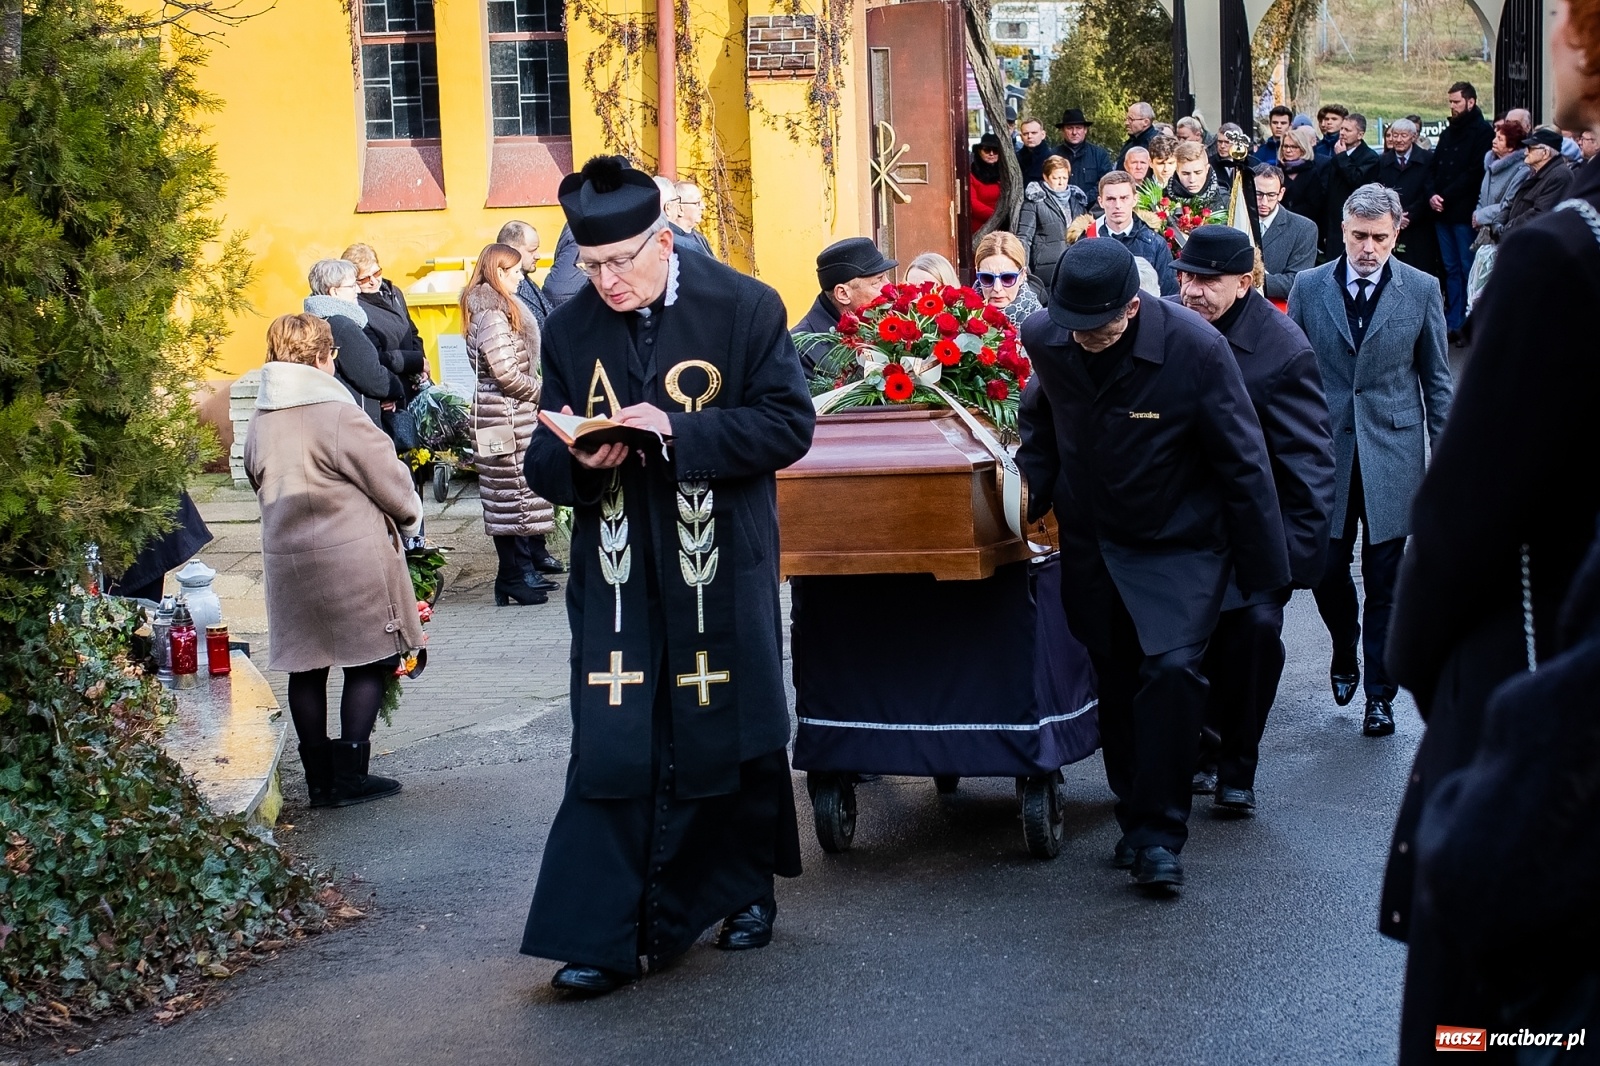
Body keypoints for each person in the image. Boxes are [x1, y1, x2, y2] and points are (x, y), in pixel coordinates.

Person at [519, 155, 814, 995]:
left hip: (718, 560)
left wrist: (684, 435)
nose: (605, 281)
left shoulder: (744, 305)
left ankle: (742, 891)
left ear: (664, 241)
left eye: (621, 262)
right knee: (615, 740)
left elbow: (788, 427)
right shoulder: (571, 328)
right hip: (618, 576)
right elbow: (543, 454)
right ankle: (604, 933)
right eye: (590, 263)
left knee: (731, 721)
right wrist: (579, 458)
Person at [1380, 3, 1600, 1051]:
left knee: (1487, 1034)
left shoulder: (1563, 257)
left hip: (1553, 679)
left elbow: (1463, 515)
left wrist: (1422, 667)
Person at [1016, 239, 1288, 890]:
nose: (1082, 340)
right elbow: (1041, 420)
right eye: (1072, 328)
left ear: (1133, 309)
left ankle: (1161, 836)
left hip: (1181, 544)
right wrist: (1035, 490)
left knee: (1169, 673)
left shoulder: (1195, 350)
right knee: (1115, 678)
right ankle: (1133, 812)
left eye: (1098, 329)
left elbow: (1244, 463)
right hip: (1094, 541)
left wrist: (1265, 577)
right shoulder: (1047, 337)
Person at [1172, 228, 1334, 810]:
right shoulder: (1171, 324)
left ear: (1246, 282)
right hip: (1184, 528)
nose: (1191, 290)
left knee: (1253, 640)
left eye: (1207, 281)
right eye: (1185, 276)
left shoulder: (1282, 349)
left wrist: (1292, 559)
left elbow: (1309, 462)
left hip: (1255, 535)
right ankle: (1200, 753)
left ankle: (1238, 764)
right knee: (1184, 649)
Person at [1288, 184, 1452, 738]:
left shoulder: (1423, 289)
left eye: (1380, 238)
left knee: (1386, 581)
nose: (1368, 248)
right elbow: (1291, 376)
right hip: (1325, 452)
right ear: (1342, 229)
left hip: (1393, 451)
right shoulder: (1310, 288)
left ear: (1398, 231)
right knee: (1325, 570)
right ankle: (1343, 644)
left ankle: (1379, 695)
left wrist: (1448, 462)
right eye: (1359, 236)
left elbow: (1436, 379)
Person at [245, 313, 424, 808]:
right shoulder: (339, 413)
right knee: (367, 660)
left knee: (306, 667)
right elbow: (390, 481)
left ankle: (318, 781)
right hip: (350, 556)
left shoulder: (262, 420)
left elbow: (256, 478)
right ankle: (351, 777)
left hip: (288, 560)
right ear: (325, 357)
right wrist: (411, 522)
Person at [461, 243, 560, 607]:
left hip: (502, 414)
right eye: (515, 271)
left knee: (513, 493)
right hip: (502, 415)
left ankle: (517, 574)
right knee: (511, 493)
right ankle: (514, 576)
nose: (521, 277)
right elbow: (504, 372)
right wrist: (541, 392)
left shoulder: (494, 310)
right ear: (499, 273)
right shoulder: (492, 315)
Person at [1427, 82, 1495, 338]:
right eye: (1450, 102)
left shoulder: (1482, 132)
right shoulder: (1447, 132)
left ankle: (1469, 319)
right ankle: (1452, 318)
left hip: (1463, 211)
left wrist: (1444, 194)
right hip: (1442, 211)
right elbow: (1434, 167)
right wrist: (1432, 194)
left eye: (1456, 102)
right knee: (1449, 268)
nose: (1452, 107)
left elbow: (1475, 171)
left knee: (1468, 268)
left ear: (1470, 102)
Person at [303, 258, 405, 428]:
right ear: (334, 292)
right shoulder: (342, 326)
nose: (357, 290)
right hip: (355, 418)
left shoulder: (312, 322)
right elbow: (371, 376)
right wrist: (396, 389)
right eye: (351, 286)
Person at [791, 237, 897, 373]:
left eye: (886, 276)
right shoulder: (801, 351)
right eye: (877, 282)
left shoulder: (880, 323)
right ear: (843, 294)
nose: (889, 287)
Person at [343, 243, 427, 400]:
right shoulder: (356, 307)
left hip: (415, 382)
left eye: (377, 273)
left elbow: (412, 332)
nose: (374, 281)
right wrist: (416, 362)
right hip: (391, 389)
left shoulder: (394, 293)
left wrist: (421, 365)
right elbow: (376, 356)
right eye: (364, 279)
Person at [1088, 170, 1177, 295]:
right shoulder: (1086, 242)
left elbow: (1169, 295)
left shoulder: (1156, 244)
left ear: (1135, 199)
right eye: (1111, 199)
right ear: (1101, 201)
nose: (1118, 205)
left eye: (1124, 198)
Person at [1376, 119, 1440, 277]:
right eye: (1395, 135)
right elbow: (1378, 190)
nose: (1398, 140)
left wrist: (1410, 215)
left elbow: (1429, 190)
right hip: (1390, 222)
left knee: (1420, 271)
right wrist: (1394, 215)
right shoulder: (1383, 161)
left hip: (1420, 225)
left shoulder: (1427, 159)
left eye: (1403, 135)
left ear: (1413, 136)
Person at [1017, 155, 1089, 296]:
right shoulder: (1035, 201)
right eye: (1056, 178)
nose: (1061, 182)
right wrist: (1023, 268)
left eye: (1064, 178)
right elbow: (1024, 237)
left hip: (1075, 266)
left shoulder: (1077, 200)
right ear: (1046, 177)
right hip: (1045, 270)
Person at [1255, 165, 1321, 305]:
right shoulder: (1235, 221)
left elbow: (1297, 281)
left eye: (1271, 195)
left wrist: (1249, 278)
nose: (1264, 202)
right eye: (1258, 194)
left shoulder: (1304, 228)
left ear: (1281, 193)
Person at [1500, 127, 1576, 237]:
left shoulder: (1560, 176)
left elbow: (1540, 213)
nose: (1525, 152)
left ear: (1545, 153)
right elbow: (1513, 203)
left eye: (1530, 148)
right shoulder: (1535, 172)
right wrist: (1499, 221)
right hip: (1521, 238)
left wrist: (1507, 228)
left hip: (1536, 243)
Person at [1321, 114, 1380, 255]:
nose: (1342, 133)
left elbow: (1357, 181)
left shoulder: (1370, 157)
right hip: (1333, 222)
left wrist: (1342, 158)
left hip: (1356, 219)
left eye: (1347, 130)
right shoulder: (1338, 153)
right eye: (1341, 129)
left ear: (1360, 135)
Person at [1469, 118, 1531, 243]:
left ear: (1511, 147)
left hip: (1504, 234)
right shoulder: (1491, 165)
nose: (1494, 141)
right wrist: (1477, 213)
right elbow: (1482, 197)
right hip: (1486, 233)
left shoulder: (1522, 171)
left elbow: (1510, 204)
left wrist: (1481, 216)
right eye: (1495, 137)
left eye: (1500, 139)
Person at [497, 220, 557, 334]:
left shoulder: (525, 280)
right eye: (532, 250)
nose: (538, 256)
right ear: (512, 250)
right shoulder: (502, 292)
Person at [974, 230, 1043, 325]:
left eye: (1007, 278)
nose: (997, 288)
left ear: (1023, 275)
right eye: (987, 278)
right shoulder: (961, 316)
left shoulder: (1039, 322)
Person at [1054, 107, 1113, 198]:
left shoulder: (1099, 155)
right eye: (1070, 128)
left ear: (1085, 130)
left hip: (1091, 209)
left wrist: (1084, 199)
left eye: (1078, 128)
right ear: (1062, 130)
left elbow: (1107, 183)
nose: (1074, 132)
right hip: (1059, 208)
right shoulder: (1052, 156)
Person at [1277, 125, 1327, 228]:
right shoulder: (1277, 172)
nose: (1288, 150)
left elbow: (1315, 206)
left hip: (1304, 226)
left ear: (1303, 149)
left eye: (1294, 147)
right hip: (1279, 225)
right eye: (1285, 146)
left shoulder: (1312, 172)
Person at [1166, 141, 1230, 215]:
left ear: (1207, 169)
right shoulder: (1163, 200)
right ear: (1176, 171)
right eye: (1185, 174)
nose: (1192, 180)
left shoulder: (1224, 201)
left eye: (1198, 173)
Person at [969, 133, 1005, 229]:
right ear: (979, 151)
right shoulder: (971, 174)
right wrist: (997, 217)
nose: (991, 153)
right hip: (981, 226)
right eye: (987, 150)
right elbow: (972, 203)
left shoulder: (1005, 173)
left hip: (1005, 226)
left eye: (995, 150)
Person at [673, 180, 716, 258]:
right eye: (697, 203)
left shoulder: (699, 238)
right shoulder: (673, 243)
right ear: (680, 208)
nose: (703, 207)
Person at [1015, 116, 1062, 186]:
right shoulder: (1016, 158)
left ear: (1043, 135)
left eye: (1034, 133)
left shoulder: (1052, 159)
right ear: (1021, 137)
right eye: (1025, 134)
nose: (1029, 136)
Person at [1118, 102, 1158, 167]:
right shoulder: (1131, 141)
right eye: (1127, 119)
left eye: (1131, 119)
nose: (1126, 123)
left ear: (1146, 122)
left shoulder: (1157, 144)